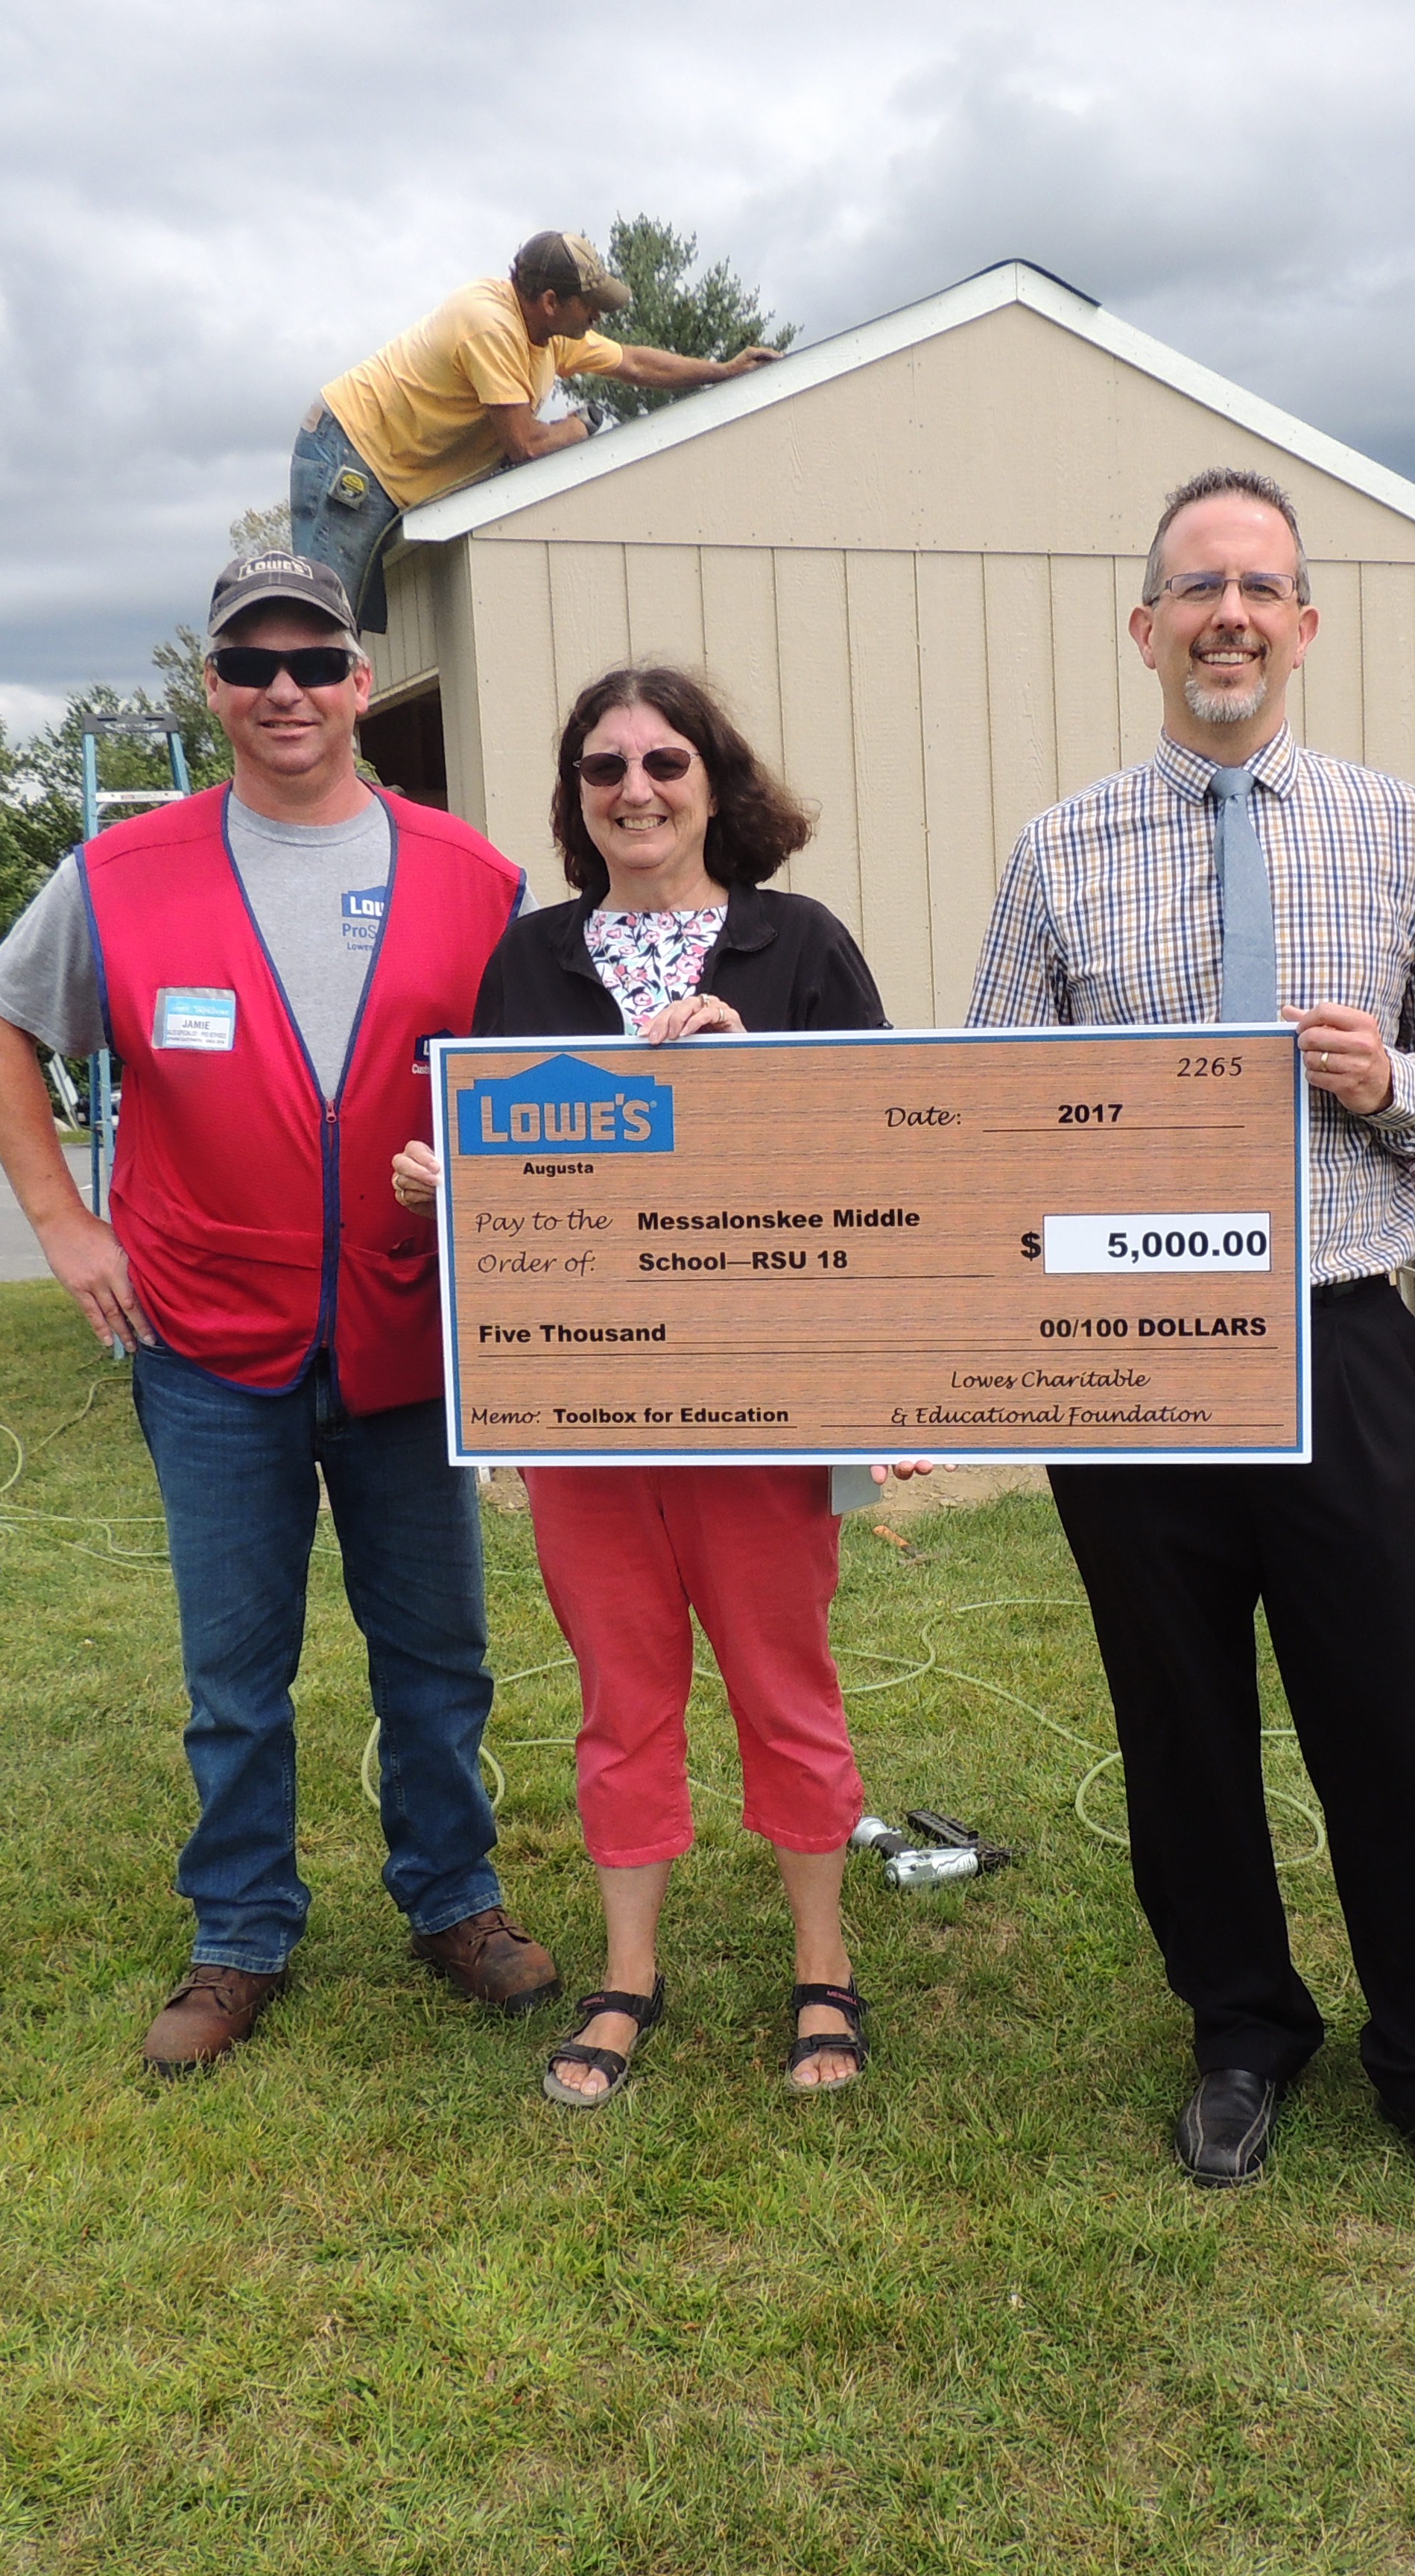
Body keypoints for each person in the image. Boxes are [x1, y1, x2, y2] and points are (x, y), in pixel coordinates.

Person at [964, 468, 1415, 2223]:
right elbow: (988, 1102)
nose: (1229, 615)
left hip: (1341, 1332)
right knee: (1178, 1718)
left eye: (1260, 587)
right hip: (1130, 1352)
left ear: (1304, 624)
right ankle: (1242, 2028)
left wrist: (1393, 1081)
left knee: (1387, 1712)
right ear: (1146, 628)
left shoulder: (1395, 830)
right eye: (1197, 588)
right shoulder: (1058, 852)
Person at [0, 549, 563, 2080]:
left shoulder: (473, 877)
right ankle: (239, 1931)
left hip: (408, 1337)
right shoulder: (120, 876)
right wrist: (65, 1224)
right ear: (213, 686)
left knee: (437, 1657)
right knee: (235, 1677)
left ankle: (453, 1899)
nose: (282, 691)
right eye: (249, 665)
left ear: (360, 681)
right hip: (209, 1345)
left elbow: (542, 1081)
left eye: (311, 662)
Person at [395, 666, 896, 2106]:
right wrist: (453, 1184)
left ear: (714, 781)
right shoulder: (529, 961)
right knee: (620, 1700)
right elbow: (518, 1176)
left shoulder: (800, 945)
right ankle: (626, 1978)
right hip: (586, 1410)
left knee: (784, 1690)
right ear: (576, 798)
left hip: (763, 1407)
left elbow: (883, 1157)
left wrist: (759, 1072)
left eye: (664, 761)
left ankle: (822, 1967)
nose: (635, 789)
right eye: (603, 767)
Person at [293, 231, 781, 632]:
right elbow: (525, 444)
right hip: (349, 452)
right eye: (589, 305)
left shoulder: (550, 336)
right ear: (551, 301)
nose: (597, 316)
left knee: (338, 640)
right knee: (320, 628)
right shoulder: (490, 326)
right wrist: (575, 430)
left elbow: (633, 362)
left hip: (393, 471)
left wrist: (724, 371)